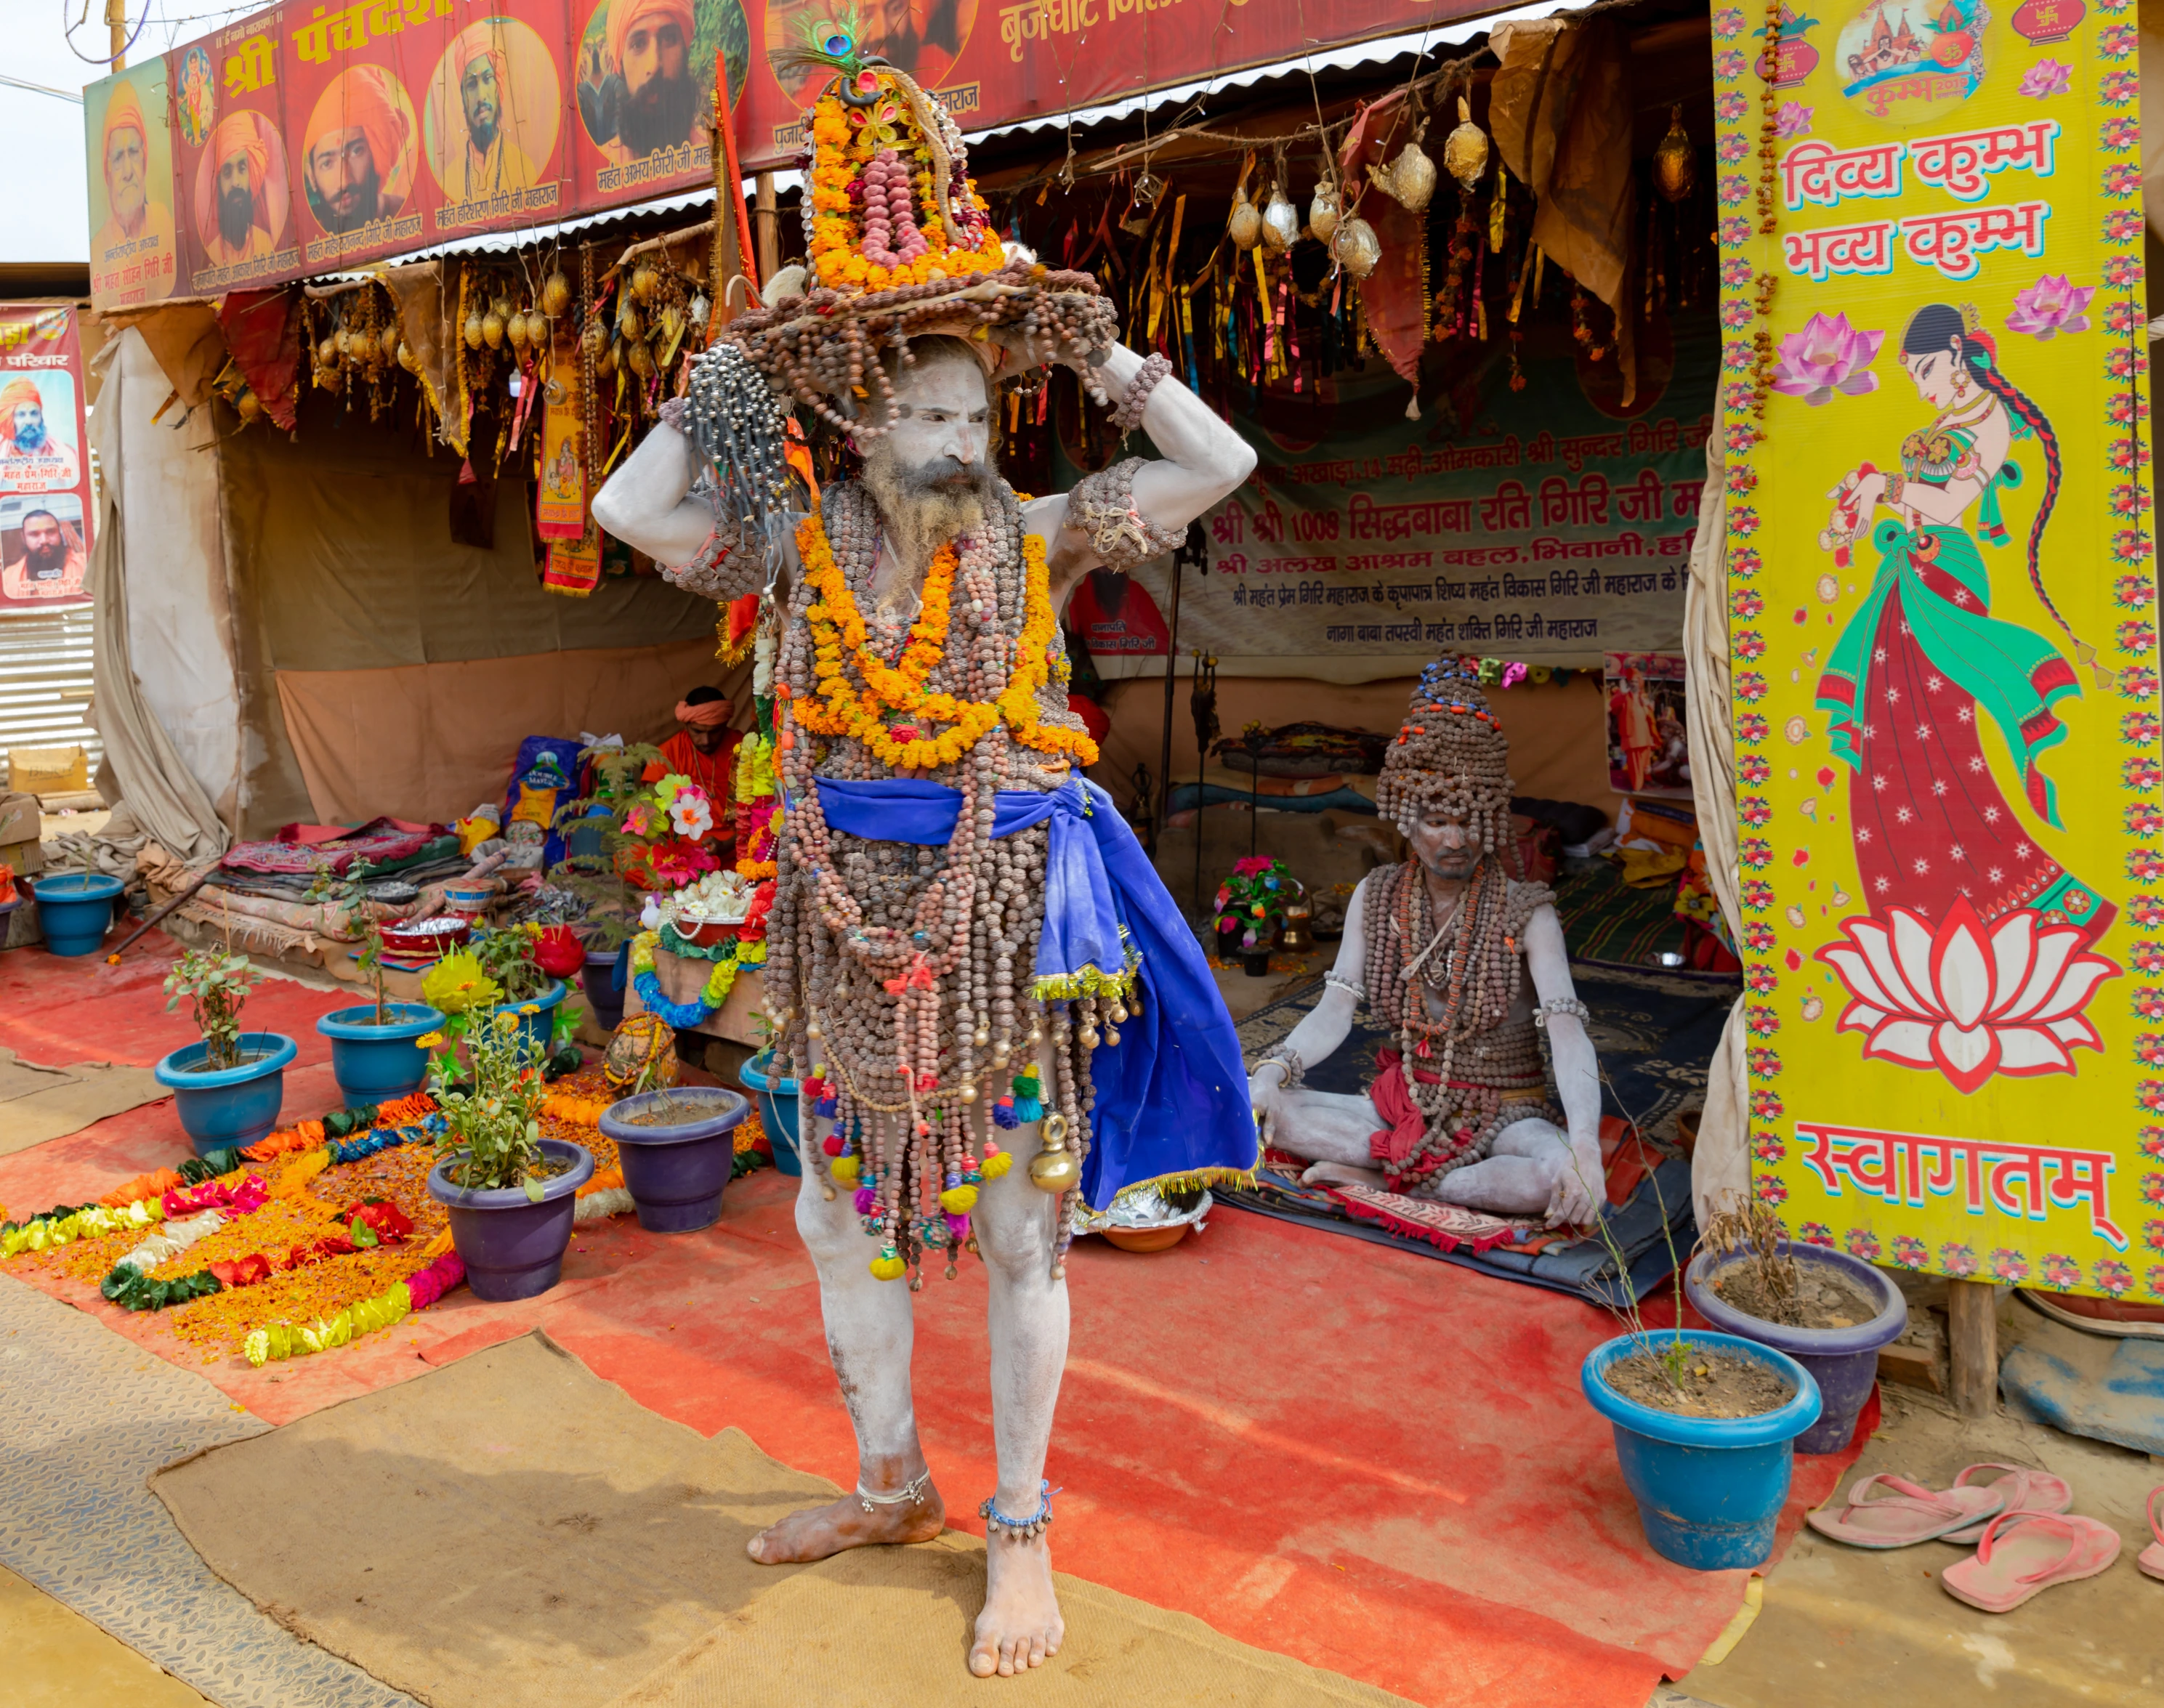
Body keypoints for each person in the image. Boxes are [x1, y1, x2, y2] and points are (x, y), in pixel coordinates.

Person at [591, 65, 1257, 1680]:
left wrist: (1101, 354)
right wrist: (733, 374)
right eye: (933, 415)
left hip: (998, 924)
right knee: (831, 1207)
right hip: (832, 927)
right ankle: (890, 1481)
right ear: (866, 421)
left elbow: (1213, 465)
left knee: (1022, 1230)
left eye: (979, 414)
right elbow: (625, 503)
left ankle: (1017, 1522)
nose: (963, 442)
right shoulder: (782, 539)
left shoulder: (1039, 528)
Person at [1249, 661, 1607, 1227]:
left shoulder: (1527, 910)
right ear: (1405, 819)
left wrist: (1585, 1142)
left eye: (1469, 821)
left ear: (1490, 820)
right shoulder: (1378, 893)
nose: (1455, 839)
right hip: (1406, 1102)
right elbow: (1335, 1009)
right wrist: (1274, 1069)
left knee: (1554, 1172)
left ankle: (1398, 1176)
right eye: (1437, 820)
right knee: (1271, 1112)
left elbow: (1568, 1035)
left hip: (1508, 1111)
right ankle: (1424, 1176)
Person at [1820, 301, 2111, 941]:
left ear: (1957, 353)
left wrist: (1886, 490)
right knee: (1884, 732)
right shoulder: (1950, 419)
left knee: (1939, 741)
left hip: (1945, 575)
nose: (1919, 385)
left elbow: (1951, 501)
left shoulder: (1991, 421)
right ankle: (1909, 905)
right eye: (1910, 374)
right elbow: (1892, 507)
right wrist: (1855, 510)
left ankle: (2008, 900)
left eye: (1925, 368)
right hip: (1904, 572)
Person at [587, 0, 703, 164]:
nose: (655, 65)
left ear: (685, 49)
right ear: (620, 66)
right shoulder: (603, 167)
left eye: (669, 38)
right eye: (638, 44)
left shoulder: (714, 151)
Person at [89, 81, 174, 301]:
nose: (128, 172)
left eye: (134, 152)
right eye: (118, 157)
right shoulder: (99, 249)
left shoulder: (164, 222)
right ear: (106, 169)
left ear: (144, 158)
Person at [306, 65, 411, 235]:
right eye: (327, 163)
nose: (344, 181)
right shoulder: (309, 236)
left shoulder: (409, 213)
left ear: (377, 149)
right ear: (312, 177)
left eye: (356, 152)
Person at [443, 21, 538, 201]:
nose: (481, 96)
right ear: (463, 97)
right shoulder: (449, 180)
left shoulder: (524, 167)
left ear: (499, 85)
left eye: (488, 78)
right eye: (471, 84)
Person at [204, 116, 277, 267]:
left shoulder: (267, 244)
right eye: (227, 172)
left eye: (242, 169)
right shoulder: (210, 255)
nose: (235, 182)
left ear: (252, 174)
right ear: (219, 183)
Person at [658, 686, 740, 811]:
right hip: (684, 830)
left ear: (725, 724)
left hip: (736, 830)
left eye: (715, 732)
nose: (706, 741)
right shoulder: (668, 753)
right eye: (697, 731)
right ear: (686, 726)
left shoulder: (743, 747)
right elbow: (652, 804)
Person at [0, 379, 78, 487]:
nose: (29, 421)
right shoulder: (3, 453)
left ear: (41, 417)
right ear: (10, 419)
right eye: (21, 415)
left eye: (34, 413)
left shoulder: (66, 454)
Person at [2, 510, 86, 601]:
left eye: (51, 532)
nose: (44, 540)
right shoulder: (9, 576)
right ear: (24, 538)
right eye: (34, 534)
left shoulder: (85, 564)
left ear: (60, 533)